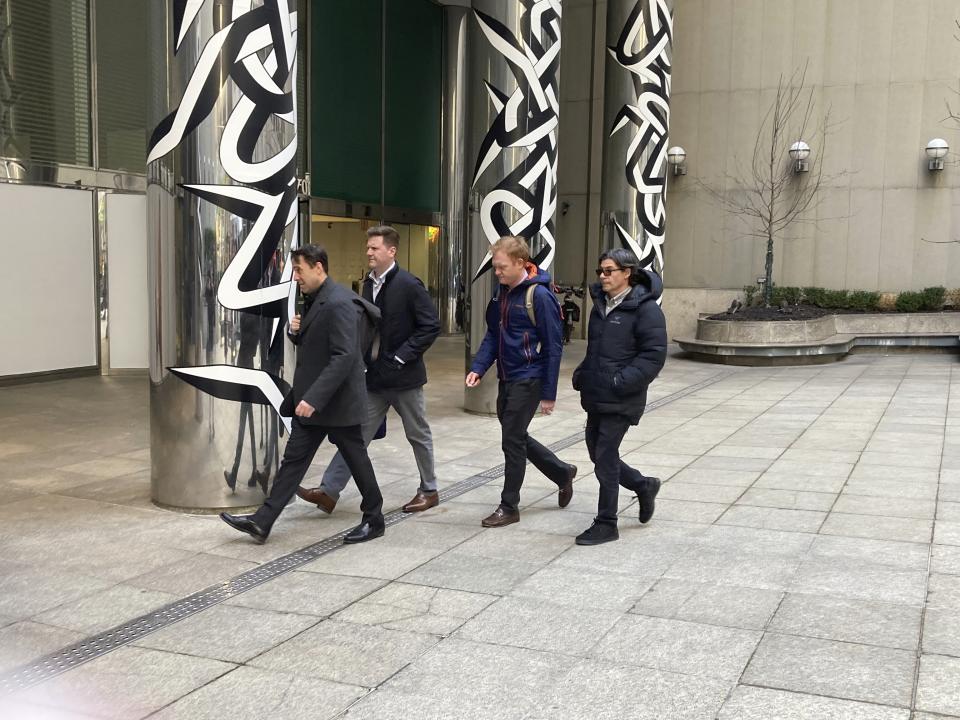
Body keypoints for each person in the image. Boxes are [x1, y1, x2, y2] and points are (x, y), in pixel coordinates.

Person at [219, 244, 385, 545]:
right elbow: (320, 348)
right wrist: (297, 332)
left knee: (356, 460)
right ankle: (262, 521)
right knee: (294, 462)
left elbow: (344, 356)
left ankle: (374, 518)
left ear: (318, 267)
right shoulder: (317, 299)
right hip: (313, 404)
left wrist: (313, 398)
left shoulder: (339, 303)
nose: (296, 276)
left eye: (299, 270)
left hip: (335, 403)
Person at [297, 225, 442, 514]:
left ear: (391, 251)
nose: (369, 253)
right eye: (368, 248)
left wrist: (401, 357)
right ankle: (329, 491)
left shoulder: (410, 285)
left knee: (417, 433)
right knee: (356, 435)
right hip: (374, 378)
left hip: (404, 378)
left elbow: (431, 326)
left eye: (374, 248)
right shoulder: (366, 284)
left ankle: (429, 490)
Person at [466, 236, 577, 527]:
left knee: (511, 441)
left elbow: (554, 346)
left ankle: (509, 505)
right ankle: (561, 472)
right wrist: (479, 367)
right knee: (516, 436)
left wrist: (549, 393)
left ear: (519, 262)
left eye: (501, 267)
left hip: (530, 377)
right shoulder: (502, 292)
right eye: (495, 267)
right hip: (507, 375)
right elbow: (494, 334)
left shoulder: (539, 296)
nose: (497, 272)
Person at [571, 248, 667, 545]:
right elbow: (597, 350)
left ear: (627, 273)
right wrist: (583, 372)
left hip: (622, 396)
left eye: (609, 270)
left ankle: (606, 522)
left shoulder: (646, 309)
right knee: (598, 455)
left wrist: (620, 380)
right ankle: (643, 485)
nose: (602, 276)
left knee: (605, 456)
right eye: (600, 270)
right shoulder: (600, 305)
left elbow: (653, 356)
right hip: (597, 393)